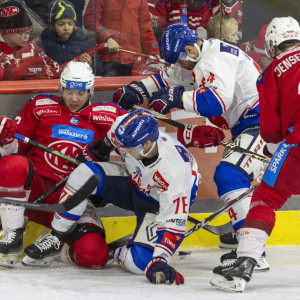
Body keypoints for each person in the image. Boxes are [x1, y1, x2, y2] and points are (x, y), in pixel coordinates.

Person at [112, 22, 269, 271]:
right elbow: (171, 77)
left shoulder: (213, 60)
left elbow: (216, 102)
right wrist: (138, 89)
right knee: (231, 176)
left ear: (190, 49)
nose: (180, 65)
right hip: (251, 123)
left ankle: (253, 252)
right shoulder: (200, 54)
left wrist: (176, 99)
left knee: (230, 175)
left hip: (264, 123)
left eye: (180, 59)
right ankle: (249, 244)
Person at [26, 108, 224, 284]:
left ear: (147, 144)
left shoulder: (175, 173)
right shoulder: (126, 131)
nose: (122, 150)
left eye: (128, 147)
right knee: (85, 173)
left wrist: (160, 259)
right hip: (132, 183)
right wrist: (100, 151)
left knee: (139, 264)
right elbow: (112, 138)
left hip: (158, 207)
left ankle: (118, 251)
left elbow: (173, 224)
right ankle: (56, 236)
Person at [0, 61, 127, 268]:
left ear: (90, 91)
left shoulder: (109, 115)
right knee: (11, 164)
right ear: (61, 88)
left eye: (81, 93)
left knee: (94, 257)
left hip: (72, 200)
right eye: (68, 92)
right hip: (35, 189)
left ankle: (63, 249)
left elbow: (139, 136)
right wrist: (4, 138)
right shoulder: (40, 105)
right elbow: (13, 150)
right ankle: (12, 235)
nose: (74, 99)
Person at [210, 16, 300, 293]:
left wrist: (275, 153)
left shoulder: (273, 70)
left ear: (272, 46)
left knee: (264, 197)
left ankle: (246, 263)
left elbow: (271, 130)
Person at [83, 0, 160, 76]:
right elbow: (90, 20)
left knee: (133, 87)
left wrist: (154, 51)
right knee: (108, 87)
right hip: (108, 58)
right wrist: (107, 38)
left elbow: (145, 27)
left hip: (132, 59)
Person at [39, 0, 103, 76]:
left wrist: (91, 64)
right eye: (61, 24)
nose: (66, 28)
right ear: (53, 25)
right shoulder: (44, 44)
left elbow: (100, 71)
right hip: (52, 84)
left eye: (70, 24)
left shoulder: (84, 44)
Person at [0, 1, 60, 81]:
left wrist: (26, 72)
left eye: (28, 32)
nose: (26, 37)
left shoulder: (31, 46)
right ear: (7, 33)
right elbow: (6, 74)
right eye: (21, 33)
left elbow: (54, 69)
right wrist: (35, 64)